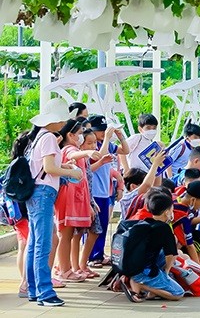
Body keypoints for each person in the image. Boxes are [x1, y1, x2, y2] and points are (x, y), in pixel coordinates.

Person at [25, 99, 84, 307]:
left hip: (34, 194)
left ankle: (33, 289)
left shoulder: (39, 136)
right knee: (43, 244)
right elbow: (49, 169)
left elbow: (45, 166)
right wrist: (72, 171)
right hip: (43, 194)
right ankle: (45, 292)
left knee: (34, 243)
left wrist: (63, 166)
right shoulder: (49, 137)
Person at [53, 120, 94, 284]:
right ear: (70, 135)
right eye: (79, 134)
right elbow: (70, 154)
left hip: (74, 198)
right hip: (68, 199)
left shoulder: (76, 149)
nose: (81, 137)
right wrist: (86, 153)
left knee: (67, 235)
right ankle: (64, 270)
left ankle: (62, 267)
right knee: (65, 234)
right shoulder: (70, 149)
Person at [127, 190, 185, 302]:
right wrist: (166, 272)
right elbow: (171, 255)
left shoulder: (144, 222)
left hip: (134, 267)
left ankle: (148, 290)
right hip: (145, 271)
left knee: (160, 253)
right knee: (178, 293)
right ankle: (141, 285)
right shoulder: (164, 228)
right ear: (167, 212)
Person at [88, 115, 129, 267]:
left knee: (103, 224)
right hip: (94, 191)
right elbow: (101, 155)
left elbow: (125, 150)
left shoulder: (106, 143)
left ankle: (98, 253)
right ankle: (92, 256)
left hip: (105, 190)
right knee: (94, 226)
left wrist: (120, 136)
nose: (102, 133)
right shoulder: (91, 146)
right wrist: (106, 138)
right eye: (99, 131)